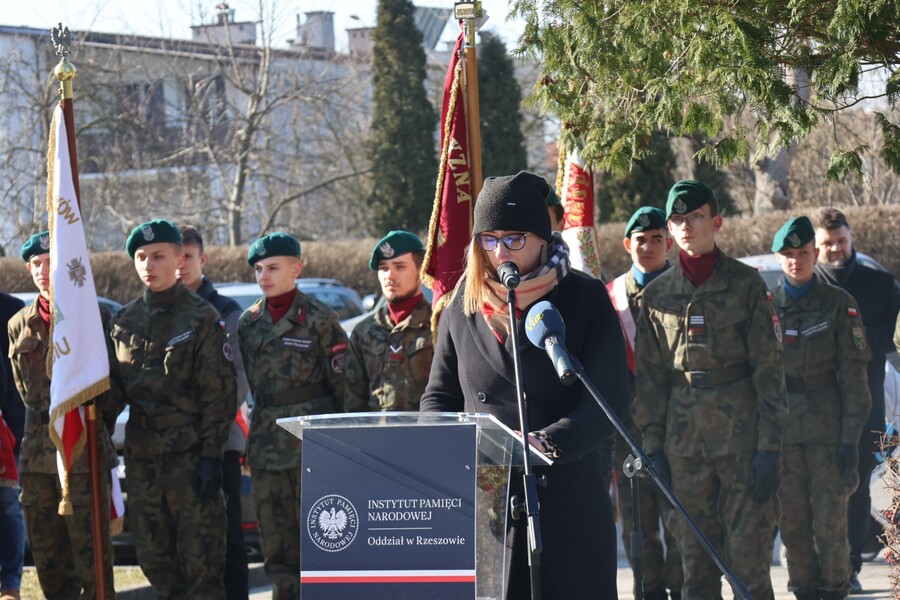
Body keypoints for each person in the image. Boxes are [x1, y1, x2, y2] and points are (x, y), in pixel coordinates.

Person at [420, 171, 629, 599]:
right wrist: (445, 448)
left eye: (514, 238)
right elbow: (438, 395)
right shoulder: (463, 304)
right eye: (489, 239)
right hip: (487, 504)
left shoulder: (585, 298)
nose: (500, 252)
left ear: (542, 236)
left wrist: (548, 444)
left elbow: (610, 397)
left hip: (568, 500)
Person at [634, 180, 787, 600]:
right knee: (694, 570)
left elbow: (769, 373)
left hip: (742, 444)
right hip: (683, 449)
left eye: (695, 216)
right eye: (677, 219)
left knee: (748, 566)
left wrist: (770, 449)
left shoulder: (747, 285)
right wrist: (654, 449)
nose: (686, 226)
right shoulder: (656, 297)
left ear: (715, 222)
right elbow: (650, 380)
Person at [108, 219, 235, 599]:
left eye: (158, 256)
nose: (149, 265)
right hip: (144, 459)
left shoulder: (201, 318)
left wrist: (212, 456)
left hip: (192, 457)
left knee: (202, 564)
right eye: (141, 258)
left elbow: (219, 394)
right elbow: (112, 395)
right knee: (155, 559)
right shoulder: (123, 322)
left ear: (179, 259)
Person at [238, 232, 349, 600]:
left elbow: (343, 386)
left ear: (295, 268)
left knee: (320, 540)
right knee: (276, 546)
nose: (264, 276)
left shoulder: (319, 318)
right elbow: (248, 389)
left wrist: (344, 446)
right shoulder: (249, 322)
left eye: (272, 267)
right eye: (258, 269)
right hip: (268, 448)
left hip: (311, 447)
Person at [8, 231, 117, 599]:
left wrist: (96, 427)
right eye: (35, 264)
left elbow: (112, 385)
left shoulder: (93, 317)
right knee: (48, 561)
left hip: (84, 450)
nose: (42, 270)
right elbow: (23, 391)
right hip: (38, 456)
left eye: (49, 262)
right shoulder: (18, 324)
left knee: (92, 562)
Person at [772, 216, 871, 600]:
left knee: (830, 524)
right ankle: (803, 591)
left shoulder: (838, 304)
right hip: (784, 436)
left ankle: (835, 590)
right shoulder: (766, 309)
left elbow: (855, 379)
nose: (796, 261)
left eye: (803, 253)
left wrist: (850, 440)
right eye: (789, 254)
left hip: (829, 435)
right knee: (793, 525)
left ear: (815, 254)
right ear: (778, 258)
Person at [811, 207, 900, 593]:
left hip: (864, 405)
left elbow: (883, 341)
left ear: (852, 239)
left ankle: (849, 570)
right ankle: (820, 565)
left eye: (841, 241)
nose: (836, 249)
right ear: (816, 246)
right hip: (816, 407)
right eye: (827, 243)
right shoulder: (805, 285)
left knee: (857, 486)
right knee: (818, 487)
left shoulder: (880, 285)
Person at [608, 206, 682, 600]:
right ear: (627, 245)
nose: (649, 246)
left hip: (679, 421)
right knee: (638, 519)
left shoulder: (685, 288)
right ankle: (648, 591)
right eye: (641, 240)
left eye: (657, 239)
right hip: (629, 428)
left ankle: (680, 586)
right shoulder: (611, 297)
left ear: (668, 243)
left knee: (682, 514)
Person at [177, 224, 250, 600]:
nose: (180, 264)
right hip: (170, 444)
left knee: (227, 537)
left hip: (219, 441)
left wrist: (198, 422)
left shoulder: (226, 311)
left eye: (187, 257)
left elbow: (237, 379)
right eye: (175, 256)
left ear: (202, 260)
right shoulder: (156, 310)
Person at [344, 230, 433, 412]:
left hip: (425, 435)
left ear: (420, 270)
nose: (389, 276)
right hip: (375, 436)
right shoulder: (365, 331)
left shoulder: (438, 325)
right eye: (384, 268)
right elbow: (353, 400)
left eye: (399, 267)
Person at [0, 291, 24, 600]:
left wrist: (14, 431)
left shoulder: (12, 310)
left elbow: (19, 384)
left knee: (7, 507)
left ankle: (9, 585)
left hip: (4, 434)